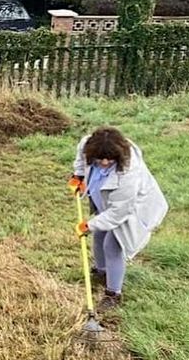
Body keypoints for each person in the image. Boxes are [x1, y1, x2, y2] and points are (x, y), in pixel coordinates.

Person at [71, 126, 168, 311]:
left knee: (113, 245)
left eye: (110, 159)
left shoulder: (129, 174)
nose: (105, 162)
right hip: (110, 204)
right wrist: (78, 175)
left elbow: (118, 213)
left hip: (134, 208)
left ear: (119, 155)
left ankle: (113, 294)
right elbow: (80, 157)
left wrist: (87, 225)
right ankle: (101, 272)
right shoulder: (88, 145)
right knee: (99, 234)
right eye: (100, 159)